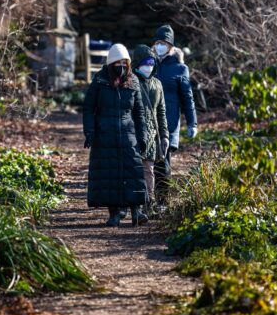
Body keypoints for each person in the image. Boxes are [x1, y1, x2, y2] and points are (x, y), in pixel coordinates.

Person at [83, 43, 150, 226]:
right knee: (109, 175)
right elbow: (88, 108)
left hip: (128, 134)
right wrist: (89, 131)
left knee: (133, 173)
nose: (122, 66)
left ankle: (137, 212)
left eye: (124, 62)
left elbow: (139, 113)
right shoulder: (99, 81)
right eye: (118, 63)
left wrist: (143, 136)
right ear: (111, 63)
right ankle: (114, 214)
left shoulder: (133, 82)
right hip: (104, 135)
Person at [152, 25, 197, 206]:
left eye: (163, 43)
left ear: (170, 46)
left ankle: (162, 202)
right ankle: (145, 202)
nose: (160, 46)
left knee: (163, 165)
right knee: (147, 164)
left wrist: (192, 123)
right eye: (157, 43)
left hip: (169, 123)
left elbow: (188, 98)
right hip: (147, 122)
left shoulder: (180, 68)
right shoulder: (149, 64)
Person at [132, 44, 169, 215]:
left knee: (149, 170)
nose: (149, 66)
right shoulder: (131, 82)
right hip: (133, 134)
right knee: (132, 171)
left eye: (151, 63)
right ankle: (131, 205)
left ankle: (148, 203)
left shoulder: (157, 84)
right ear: (137, 63)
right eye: (145, 63)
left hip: (152, 135)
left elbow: (161, 112)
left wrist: (165, 135)